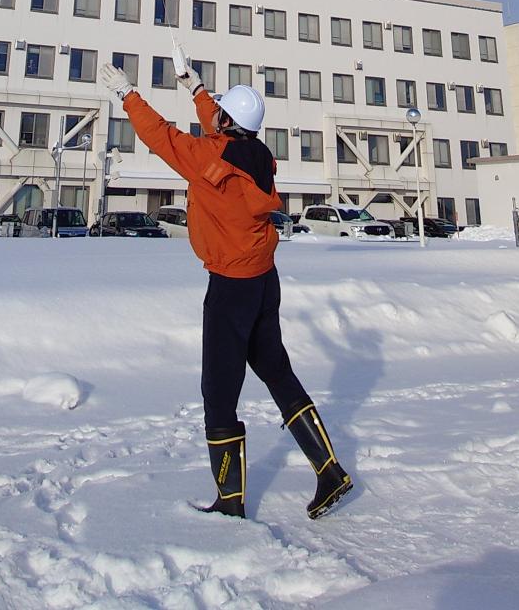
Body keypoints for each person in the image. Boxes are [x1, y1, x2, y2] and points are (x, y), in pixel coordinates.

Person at [99, 51, 353, 521]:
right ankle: (329, 470)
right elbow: (220, 128)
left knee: (218, 392)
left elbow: (162, 137)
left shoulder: (208, 158)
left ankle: (230, 502)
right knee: (276, 371)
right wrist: (194, 88)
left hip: (231, 287)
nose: (215, 115)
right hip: (263, 279)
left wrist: (128, 95)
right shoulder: (259, 157)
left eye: (220, 111)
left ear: (229, 121)